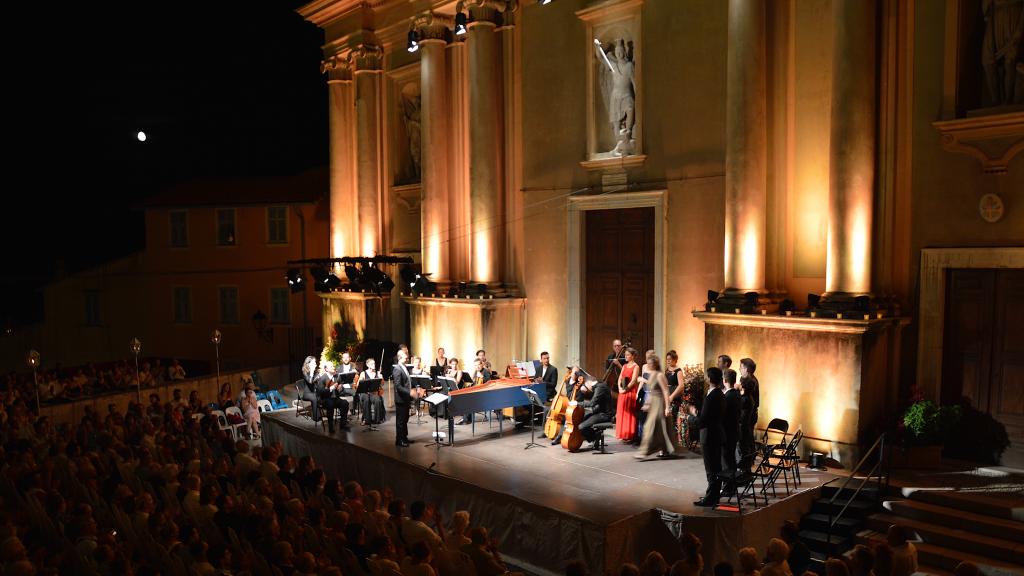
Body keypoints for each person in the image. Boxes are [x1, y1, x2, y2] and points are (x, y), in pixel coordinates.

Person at [692, 367, 725, 507]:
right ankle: (713, 495)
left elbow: (703, 420)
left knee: (711, 469)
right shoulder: (721, 394)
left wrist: (693, 415)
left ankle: (711, 498)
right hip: (717, 434)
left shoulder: (712, 396)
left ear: (710, 379)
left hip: (709, 435)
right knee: (716, 467)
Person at [636, 354, 675, 459]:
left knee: (655, 426)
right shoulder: (652, 374)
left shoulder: (659, 375)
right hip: (653, 403)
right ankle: (662, 449)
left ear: (655, 364)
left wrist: (667, 407)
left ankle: (646, 451)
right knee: (655, 427)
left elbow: (666, 391)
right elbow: (651, 391)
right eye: (648, 363)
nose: (648, 365)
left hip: (659, 403)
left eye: (650, 363)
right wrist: (647, 404)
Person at [392, 349, 419, 446]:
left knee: (405, 419)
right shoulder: (397, 369)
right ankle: (399, 440)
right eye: (405, 356)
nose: (407, 358)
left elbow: (407, 382)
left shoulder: (404, 367)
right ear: (399, 358)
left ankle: (404, 437)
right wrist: (410, 392)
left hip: (405, 398)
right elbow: (398, 386)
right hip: (401, 399)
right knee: (400, 420)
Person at [615, 348, 640, 443]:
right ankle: (622, 433)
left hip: (630, 392)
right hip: (622, 392)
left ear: (633, 356)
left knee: (629, 414)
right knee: (622, 412)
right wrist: (620, 388)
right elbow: (620, 378)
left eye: (628, 355)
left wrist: (625, 390)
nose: (625, 356)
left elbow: (633, 381)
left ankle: (629, 435)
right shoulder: (624, 366)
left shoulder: (636, 366)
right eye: (625, 355)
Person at [360, 358, 386, 425]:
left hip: (374, 393)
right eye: (372, 364)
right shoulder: (363, 373)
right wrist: (362, 381)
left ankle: (377, 420)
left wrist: (381, 377)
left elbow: (382, 384)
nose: (374, 365)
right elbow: (359, 383)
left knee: (378, 400)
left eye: (374, 363)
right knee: (366, 399)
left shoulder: (377, 373)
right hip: (365, 393)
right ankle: (367, 420)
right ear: (367, 365)